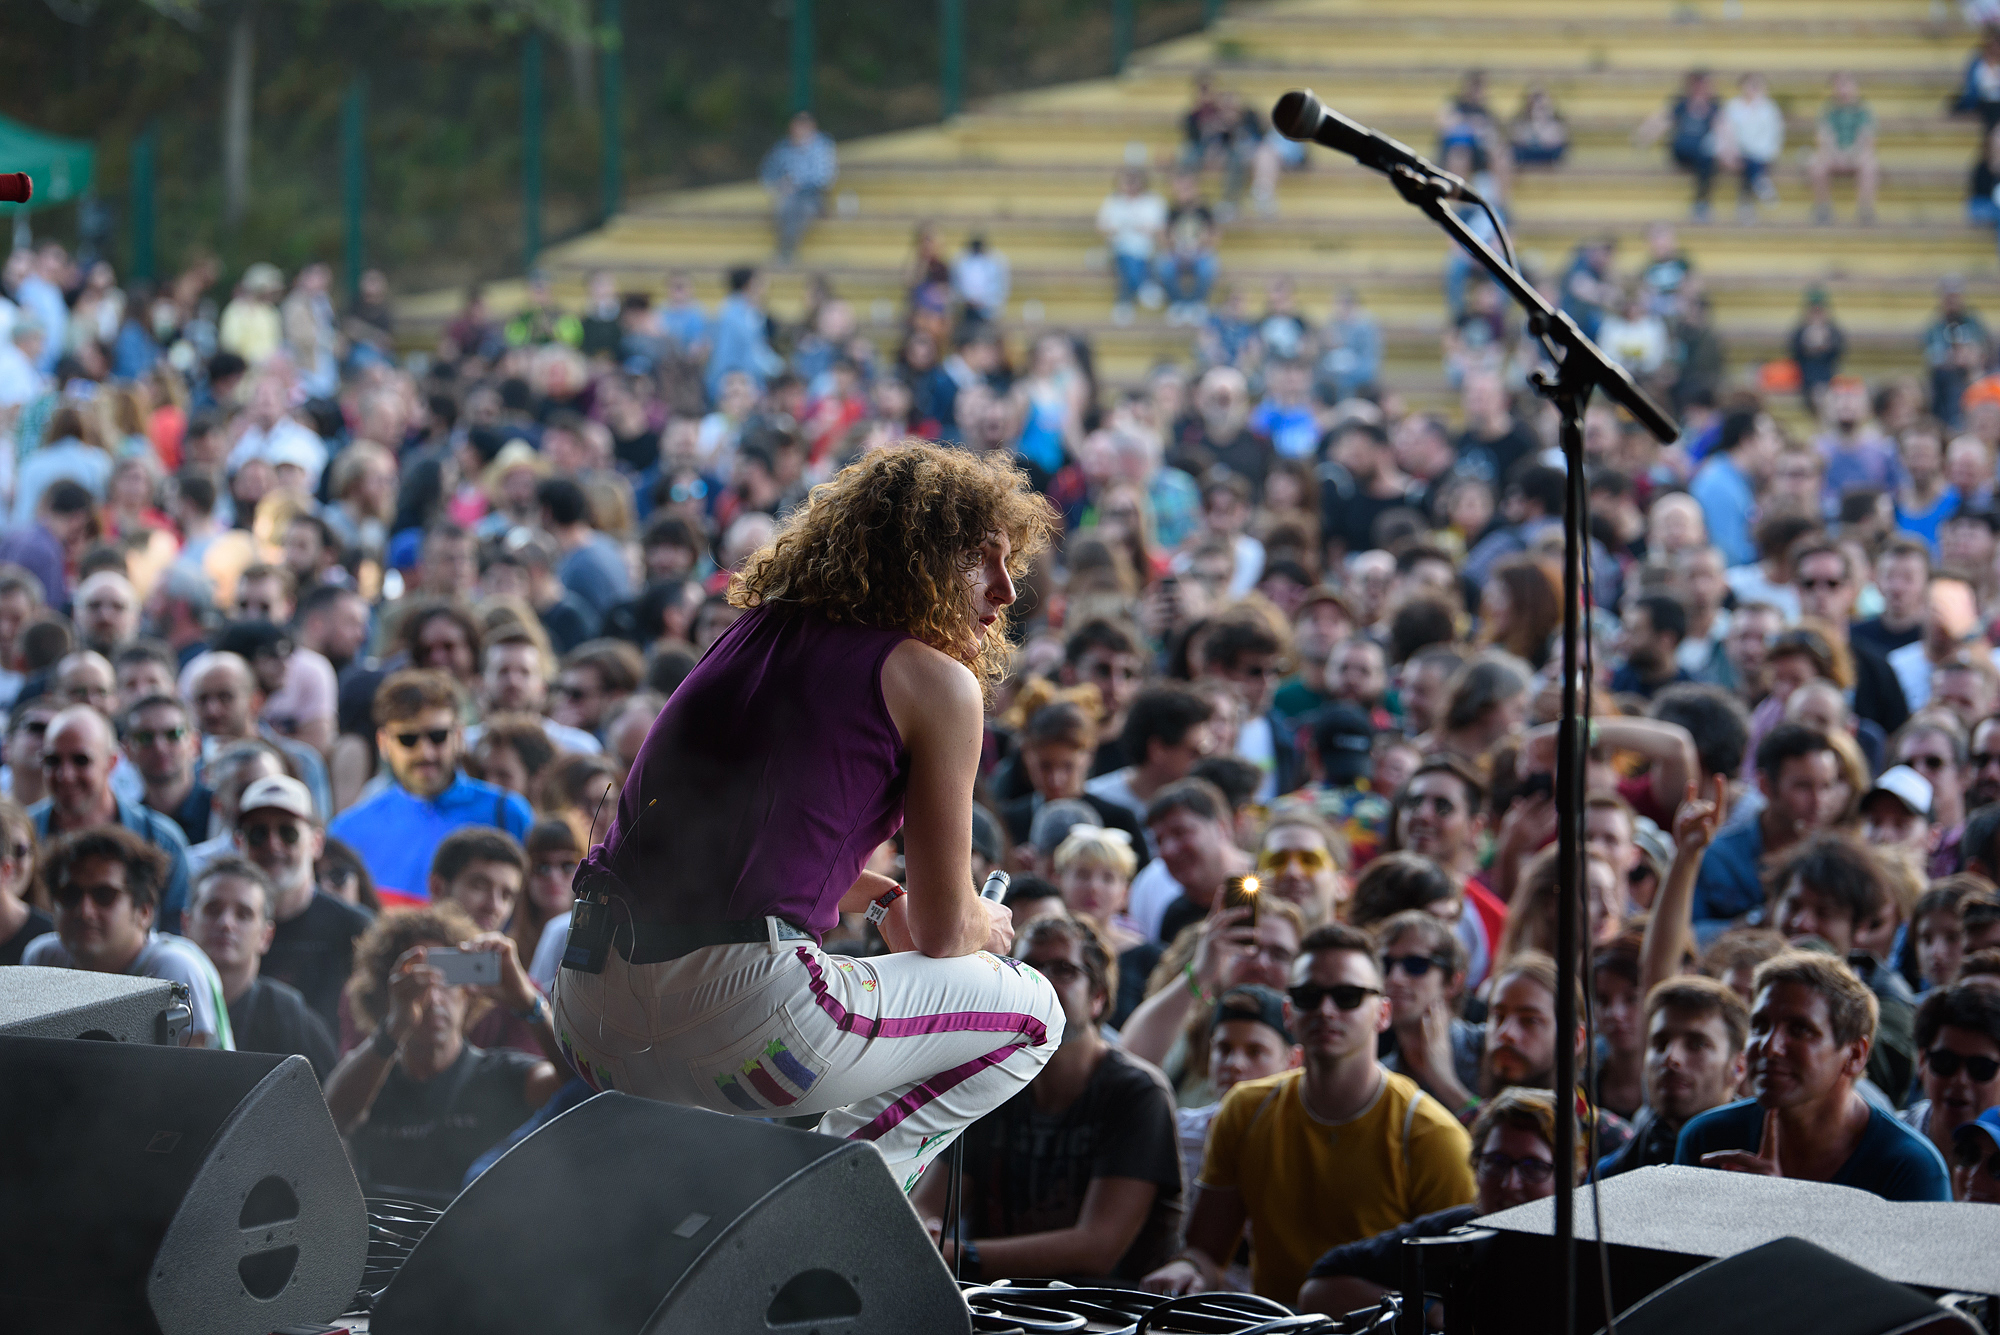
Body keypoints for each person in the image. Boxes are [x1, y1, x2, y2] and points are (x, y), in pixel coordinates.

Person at [554, 442, 1066, 1193]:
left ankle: (749, 1216)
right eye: (979, 558)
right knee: (1034, 1013)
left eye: (1007, 561)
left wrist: (879, 896)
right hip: (744, 1028)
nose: (1006, 588)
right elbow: (945, 932)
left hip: (588, 1021)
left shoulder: (749, 635)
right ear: (915, 560)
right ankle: (818, 1214)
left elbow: (736, 846)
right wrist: (984, 926)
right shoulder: (936, 681)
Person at [1141, 923, 1476, 1304]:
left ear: (1383, 1014)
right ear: (1288, 1012)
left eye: (1348, 997)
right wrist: (1186, 1269)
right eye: (1308, 996)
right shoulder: (1245, 1109)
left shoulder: (1431, 1134)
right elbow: (1206, 1252)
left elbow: (1457, 1292)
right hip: (1272, 1325)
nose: (1325, 1010)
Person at [918, 915, 1184, 1282]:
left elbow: (1097, 1248)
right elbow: (927, 1205)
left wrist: (957, 1254)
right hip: (990, 1302)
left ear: (1098, 998)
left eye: (1064, 970)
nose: (1041, 981)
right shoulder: (992, 1081)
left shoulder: (1137, 1092)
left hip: (1102, 1307)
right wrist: (921, 1232)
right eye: (1027, 968)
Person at [324, 904, 565, 1206]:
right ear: (387, 995)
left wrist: (528, 1002)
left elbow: (578, 1087)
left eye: (448, 976)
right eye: (417, 981)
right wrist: (395, 1027)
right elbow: (330, 1120)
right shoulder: (371, 1077)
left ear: (469, 991)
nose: (434, 997)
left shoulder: (504, 1075)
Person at [1679, 950, 1949, 1200]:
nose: (1769, 1047)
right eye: (1760, 1026)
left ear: (1855, 1055)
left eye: (1799, 1030)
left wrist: (1778, 1207)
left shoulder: (1910, 1167)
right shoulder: (1706, 1140)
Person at [1298, 1088, 1573, 1318]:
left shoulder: (1584, 1254)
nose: (1510, 1183)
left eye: (1533, 1166)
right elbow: (1318, 1290)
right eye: (1496, 1162)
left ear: (1571, 1177)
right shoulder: (1450, 1235)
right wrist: (1424, 1309)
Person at [327, 670, 533, 905]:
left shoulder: (508, 812)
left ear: (459, 736)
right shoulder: (349, 830)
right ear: (383, 743)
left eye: (437, 736)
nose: (425, 753)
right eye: (408, 739)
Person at [21, 826, 231, 1049]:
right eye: (70, 895)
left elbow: (190, 1068)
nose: (85, 911)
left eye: (104, 895)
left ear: (144, 911)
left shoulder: (174, 969)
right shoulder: (44, 959)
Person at [30, 706, 193, 934]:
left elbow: (175, 935)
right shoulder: (23, 836)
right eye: (52, 761)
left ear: (112, 762)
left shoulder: (161, 840)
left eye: (81, 760)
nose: (65, 775)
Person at [238, 773, 373, 1036]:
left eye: (288, 833)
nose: (272, 844)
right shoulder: (222, 925)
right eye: (258, 833)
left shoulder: (356, 928)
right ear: (239, 844)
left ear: (316, 843)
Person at [186, 856, 337, 1079]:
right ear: (186, 923)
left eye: (243, 914)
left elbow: (334, 1097)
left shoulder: (291, 1017)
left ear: (266, 936)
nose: (226, 923)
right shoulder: (160, 1006)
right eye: (213, 909)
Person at [1693, 723, 1843, 934]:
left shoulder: (1838, 862)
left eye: (1826, 786)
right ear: (1765, 785)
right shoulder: (1717, 857)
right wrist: (1757, 921)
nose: (1819, 802)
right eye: (1803, 787)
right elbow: (1689, 936)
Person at [1600, 976, 1749, 1176]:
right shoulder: (1608, 1178)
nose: (1671, 1057)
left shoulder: (1766, 1168)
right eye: (1660, 1044)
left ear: (1738, 1067)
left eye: (1696, 1044)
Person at [1901, 983, 2000, 1170]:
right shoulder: (1883, 1145)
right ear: (1921, 1062)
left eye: (1980, 1068)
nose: (1960, 1080)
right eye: (1945, 1062)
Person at [760, 111, 837, 262]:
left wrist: (797, 184)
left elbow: (824, 178)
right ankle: (785, 250)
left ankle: (786, 252)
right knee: (783, 208)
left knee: (801, 210)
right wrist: (780, 184)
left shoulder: (822, 147)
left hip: (813, 195)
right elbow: (768, 171)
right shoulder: (783, 147)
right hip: (790, 195)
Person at [1810, 72, 1878, 225]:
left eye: (1846, 85)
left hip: (1856, 154)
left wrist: (1852, 154)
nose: (1843, 90)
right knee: (1817, 166)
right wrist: (1836, 154)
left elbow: (1867, 139)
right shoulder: (1827, 110)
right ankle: (1823, 208)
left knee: (1870, 164)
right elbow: (1824, 137)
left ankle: (1865, 210)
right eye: (1839, 86)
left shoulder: (1863, 110)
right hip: (1833, 154)